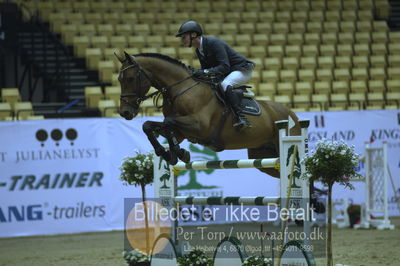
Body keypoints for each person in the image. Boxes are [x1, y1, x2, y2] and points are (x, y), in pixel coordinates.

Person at [176, 20, 255, 130]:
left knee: (225, 84)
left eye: (184, 37)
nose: (182, 40)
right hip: (228, 72)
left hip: (241, 69)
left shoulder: (214, 43)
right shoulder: (199, 50)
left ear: (193, 35)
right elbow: (206, 70)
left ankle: (242, 118)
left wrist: (202, 72)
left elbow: (224, 66)